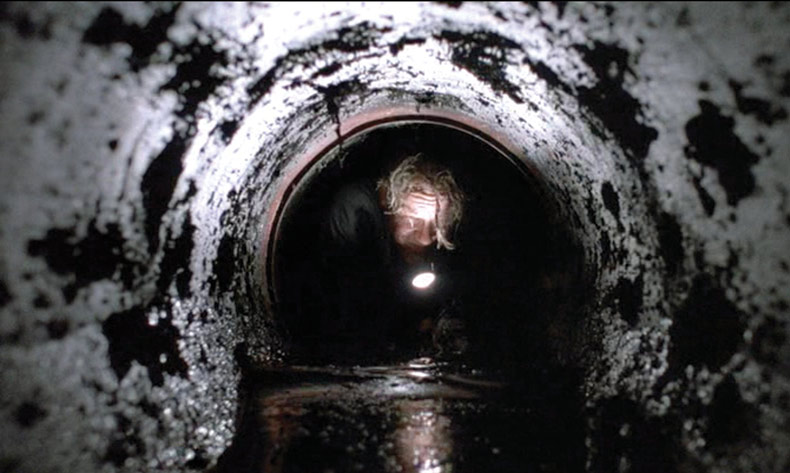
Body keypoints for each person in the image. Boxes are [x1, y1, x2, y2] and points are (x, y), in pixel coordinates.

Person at [316, 153, 468, 361]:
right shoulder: (354, 210)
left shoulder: (440, 239)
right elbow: (344, 297)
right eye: (413, 221)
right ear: (386, 202)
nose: (425, 238)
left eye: (436, 225)